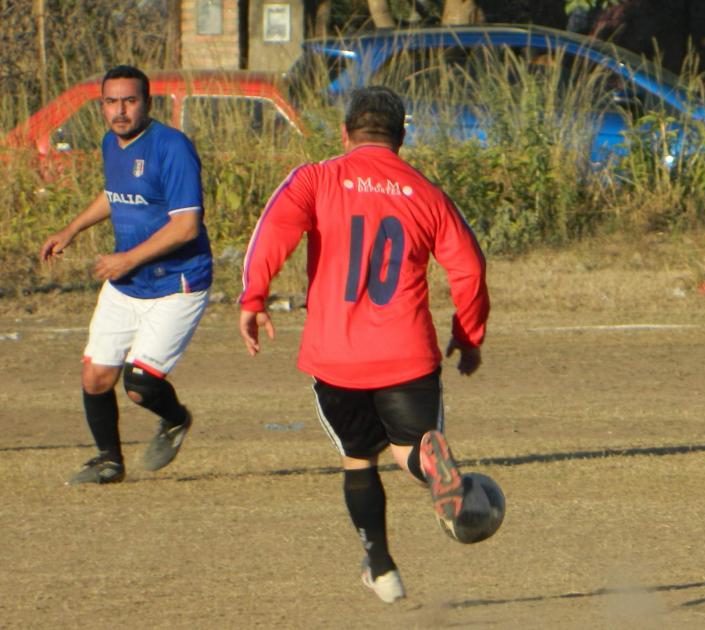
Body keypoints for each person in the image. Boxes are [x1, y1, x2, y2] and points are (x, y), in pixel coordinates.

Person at [238, 86, 490, 605]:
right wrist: (468, 335)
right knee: (409, 449)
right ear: (401, 137)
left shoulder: (315, 178)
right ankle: (431, 467)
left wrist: (254, 296)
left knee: (358, 459)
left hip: (336, 356)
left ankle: (382, 567)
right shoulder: (427, 193)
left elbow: (273, 230)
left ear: (345, 132)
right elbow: (469, 266)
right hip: (406, 353)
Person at [39, 65, 211, 486]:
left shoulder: (172, 147)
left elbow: (186, 226)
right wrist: (71, 229)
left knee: (140, 385)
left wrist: (126, 259)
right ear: (101, 105)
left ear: (147, 103)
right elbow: (114, 194)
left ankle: (175, 419)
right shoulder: (111, 143)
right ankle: (109, 462)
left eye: (130, 101)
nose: (120, 111)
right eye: (111, 102)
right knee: (95, 377)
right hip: (128, 283)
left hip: (176, 283)